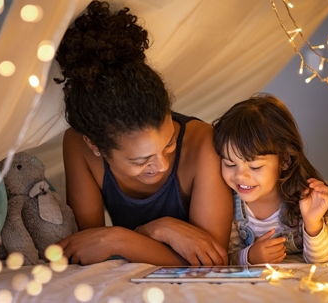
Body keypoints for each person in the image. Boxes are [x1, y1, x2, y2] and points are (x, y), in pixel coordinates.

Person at [53, 1, 233, 266]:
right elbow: (89, 247)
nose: (161, 164)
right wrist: (138, 235)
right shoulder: (77, 145)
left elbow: (213, 262)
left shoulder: (204, 142)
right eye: (140, 161)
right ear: (95, 146)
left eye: (170, 143)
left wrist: (130, 236)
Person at [212, 93, 328, 265]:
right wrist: (249, 256)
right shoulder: (228, 205)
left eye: (255, 167)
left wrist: (313, 223)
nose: (240, 175)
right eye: (229, 164)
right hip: (313, 189)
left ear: (285, 160)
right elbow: (229, 255)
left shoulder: (304, 201)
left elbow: (323, 258)